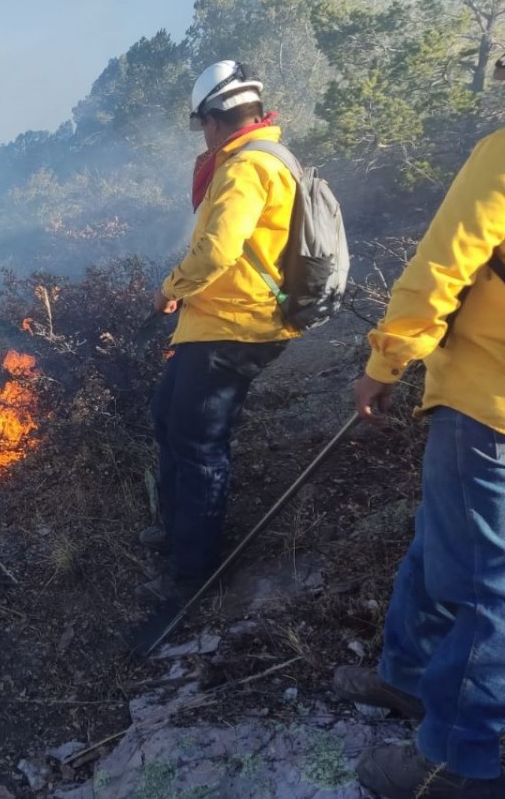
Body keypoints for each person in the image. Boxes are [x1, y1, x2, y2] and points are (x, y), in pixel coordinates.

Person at [332, 64, 505, 798]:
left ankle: (460, 760)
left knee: (486, 585)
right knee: (441, 545)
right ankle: (407, 676)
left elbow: (441, 265)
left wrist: (385, 360)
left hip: (487, 402)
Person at [144, 60, 300, 601]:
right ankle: (178, 532)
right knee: (168, 419)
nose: (201, 136)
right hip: (216, 321)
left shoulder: (246, 167)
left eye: (200, 125)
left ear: (214, 119)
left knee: (199, 443)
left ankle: (194, 571)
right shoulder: (257, 159)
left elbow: (216, 250)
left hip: (232, 327)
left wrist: (170, 288)